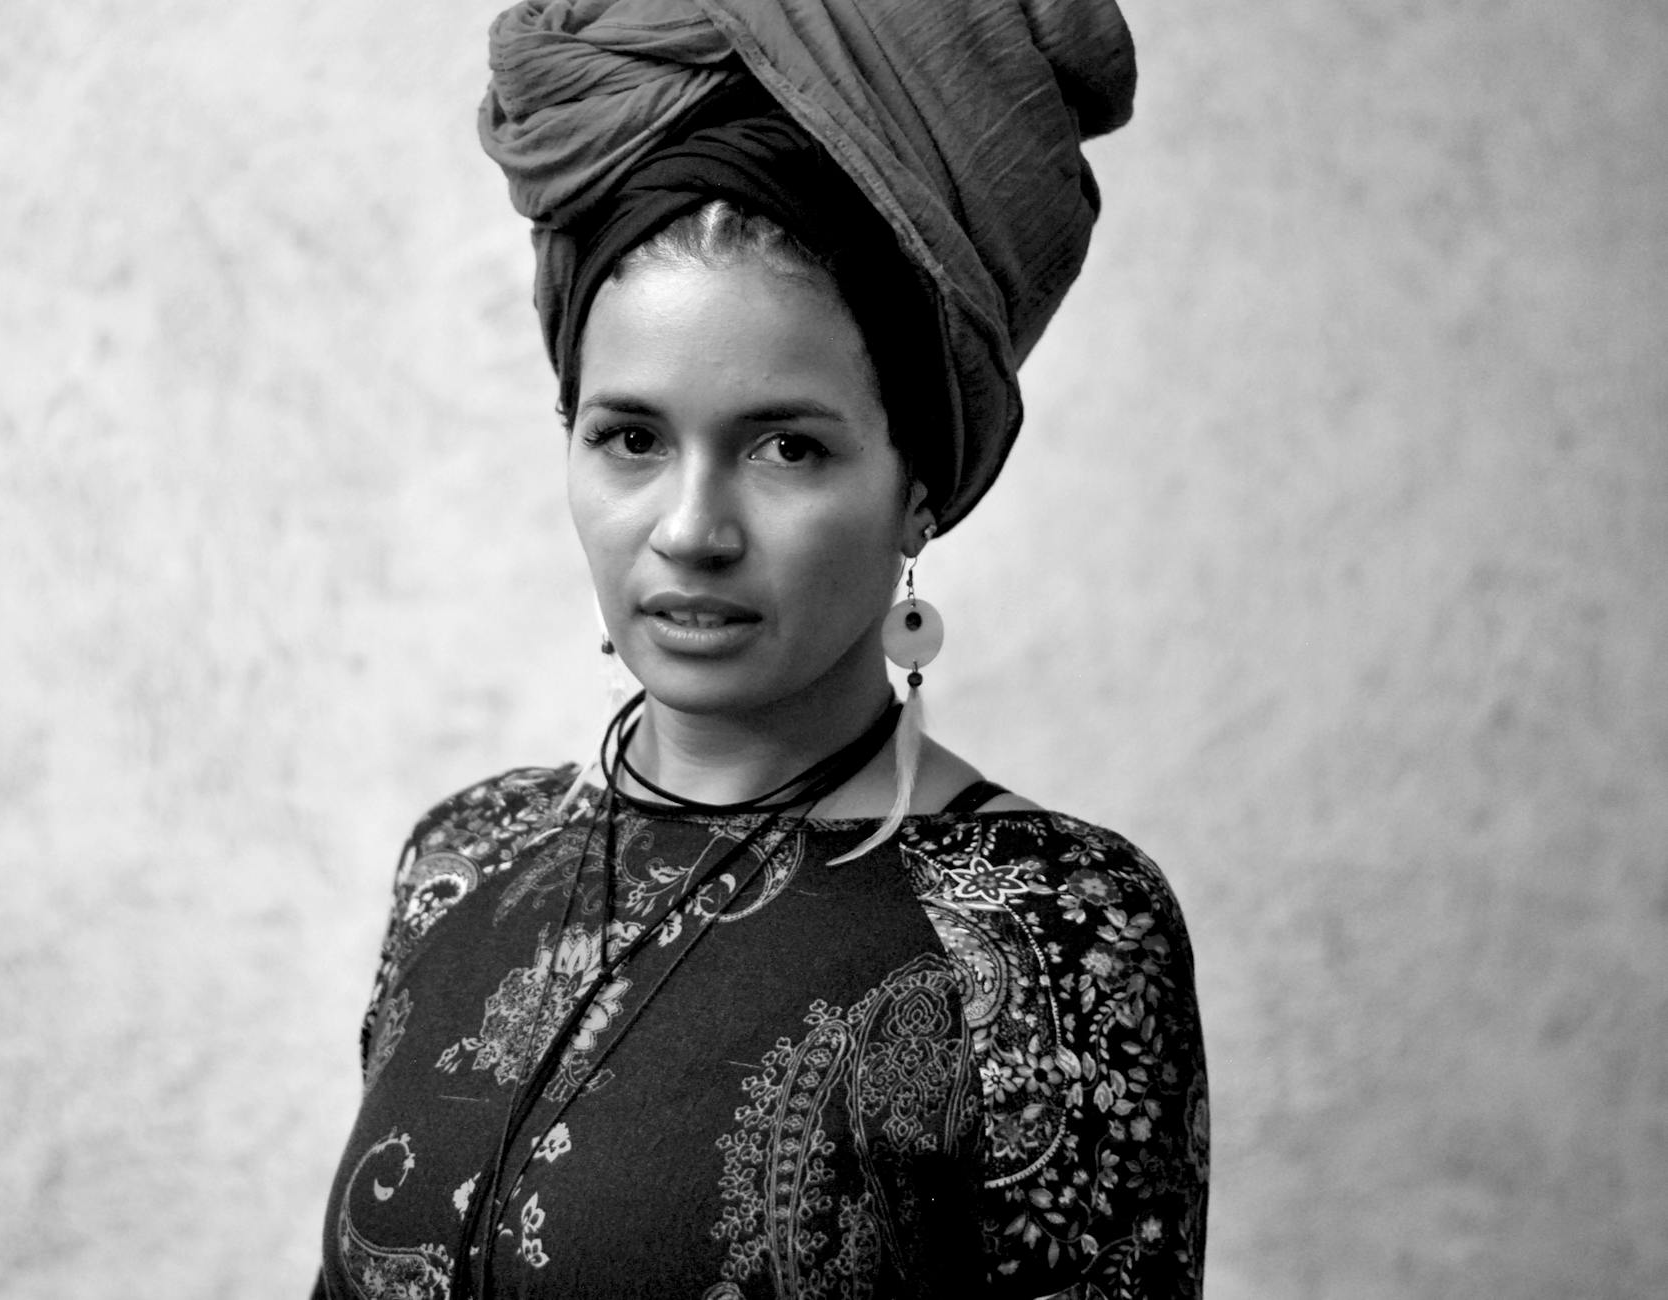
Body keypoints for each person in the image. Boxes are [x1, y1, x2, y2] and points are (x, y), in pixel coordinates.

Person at [315, 2, 1207, 1296]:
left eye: (788, 446)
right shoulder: (462, 866)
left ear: (921, 486)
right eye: (630, 438)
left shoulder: (1055, 932)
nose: (689, 529)